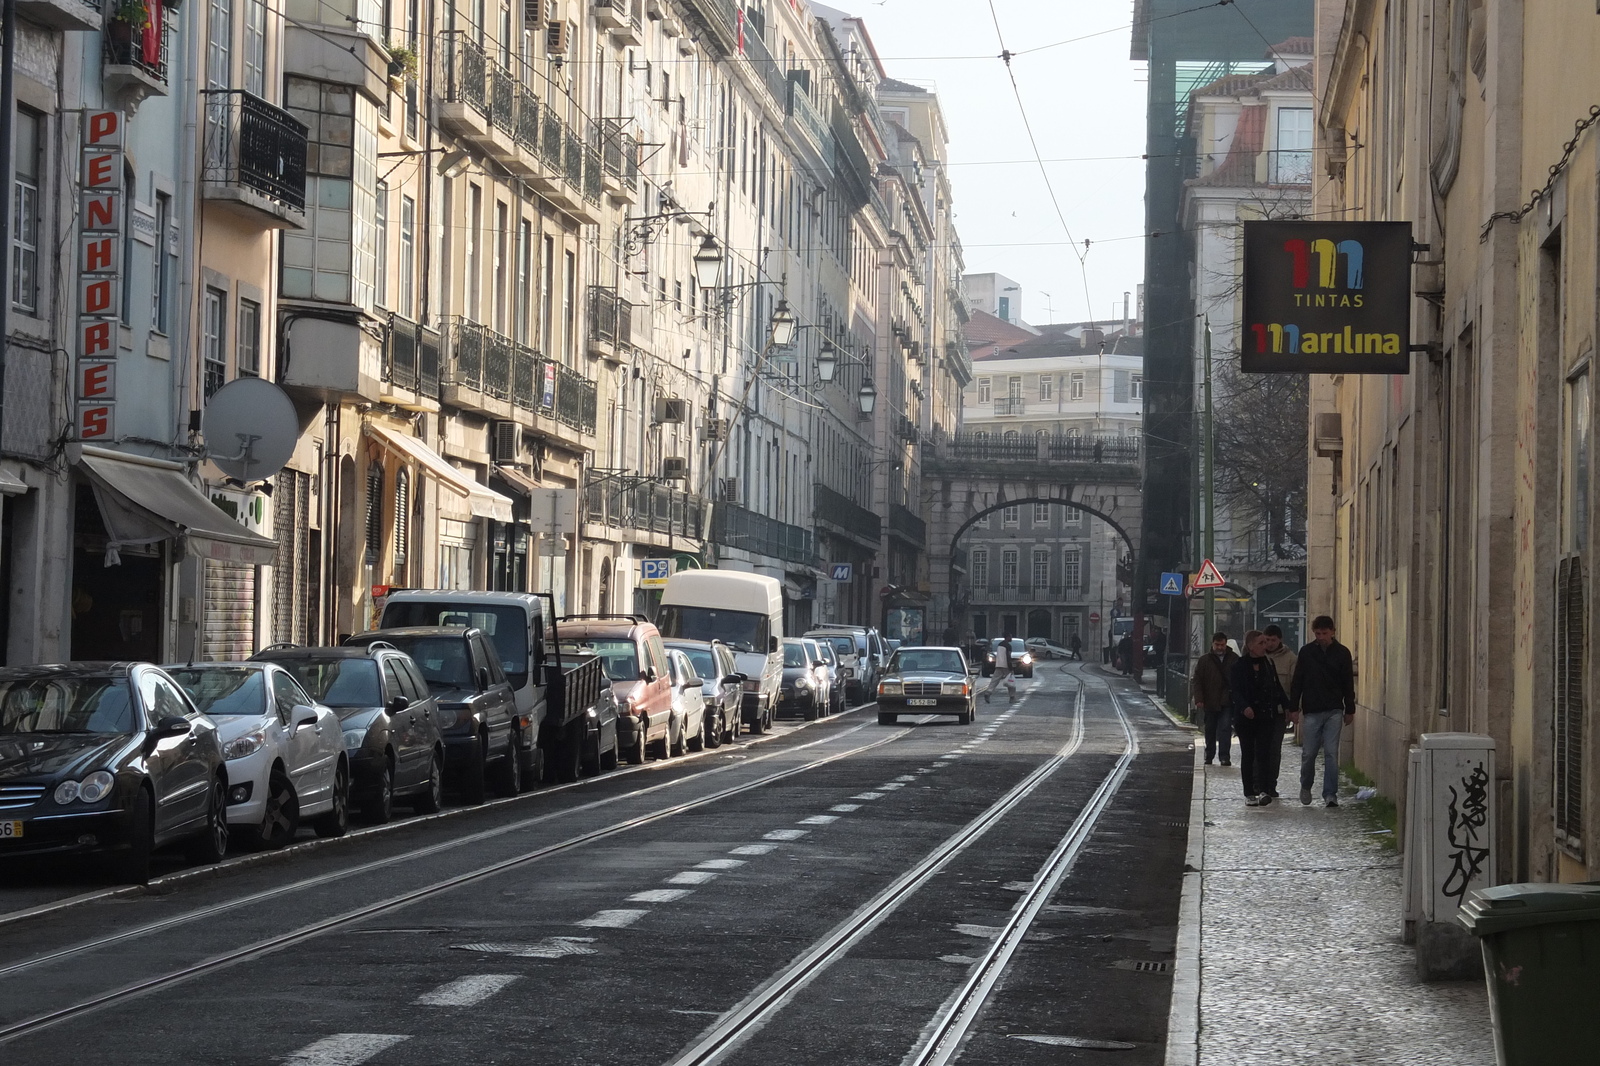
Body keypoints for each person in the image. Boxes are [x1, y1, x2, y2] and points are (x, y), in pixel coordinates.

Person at [1289, 615, 1357, 807]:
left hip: (1334, 710)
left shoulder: (1342, 653)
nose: (1321, 637)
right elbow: (1298, 681)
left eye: (1324, 633)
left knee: (1331, 753)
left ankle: (1330, 794)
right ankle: (1306, 785)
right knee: (1309, 753)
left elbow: (1347, 683)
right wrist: (1294, 707)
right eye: (1318, 634)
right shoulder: (1306, 652)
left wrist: (1349, 709)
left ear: (1333, 632)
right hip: (1311, 710)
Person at [1231, 630, 1289, 805]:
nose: (1265, 646)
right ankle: (1249, 792)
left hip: (1265, 715)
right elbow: (1235, 691)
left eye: (1266, 642)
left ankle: (1264, 790)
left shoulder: (1268, 664)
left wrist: (1288, 707)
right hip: (1246, 718)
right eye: (1261, 643)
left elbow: (1277, 687)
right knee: (1248, 754)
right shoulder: (1239, 666)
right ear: (1250, 646)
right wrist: (1244, 707)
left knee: (1264, 753)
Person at [1190, 631, 1238, 765]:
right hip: (1209, 701)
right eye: (1217, 645)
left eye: (1222, 645)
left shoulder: (1233, 659)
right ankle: (1209, 754)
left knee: (1225, 728)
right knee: (1210, 729)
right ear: (1213, 644)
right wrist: (1199, 698)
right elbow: (1197, 680)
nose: (1220, 648)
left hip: (1226, 701)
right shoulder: (1204, 660)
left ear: (1226, 644)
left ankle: (1224, 757)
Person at [984, 634, 1017, 703]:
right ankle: (1012, 697)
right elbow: (1008, 657)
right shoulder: (1008, 646)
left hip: (998, 665)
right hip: (1006, 666)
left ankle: (988, 692)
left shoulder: (999, 644)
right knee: (1011, 681)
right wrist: (1011, 667)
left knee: (994, 680)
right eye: (1010, 636)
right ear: (1007, 637)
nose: (1011, 638)